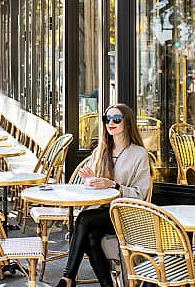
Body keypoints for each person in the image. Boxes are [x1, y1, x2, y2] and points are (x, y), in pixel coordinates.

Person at [53, 103, 151, 287]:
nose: (110, 123)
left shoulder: (139, 153)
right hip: (101, 213)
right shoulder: (101, 150)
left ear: (127, 123)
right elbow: (93, 189)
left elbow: (141, 193)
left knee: (83, 219)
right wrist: (92, 180)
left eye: (117, 119)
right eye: (107, 119)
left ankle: (67, 278)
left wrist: (114, 185)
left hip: (125, 214)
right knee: (90, 236)